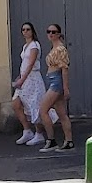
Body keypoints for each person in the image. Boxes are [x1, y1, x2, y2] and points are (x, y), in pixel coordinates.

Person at [38, 24, 73, 155]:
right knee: (61, 113)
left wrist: (65, 87)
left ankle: (51, 140)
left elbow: (64, 69)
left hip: (56, 82)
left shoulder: (60, 49)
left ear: (59, 34)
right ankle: (68, 141)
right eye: (49, 32)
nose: (51, 34)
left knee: (43, 110)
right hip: (53, 80)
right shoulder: (54, 48)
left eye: (54, 32)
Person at [12, 22, 46, 145]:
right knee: (16, 103)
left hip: (32, 79)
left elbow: (31, 64)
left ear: (32, 31)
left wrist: (23, 78)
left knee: (34, 104)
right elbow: (24, 64)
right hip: (24, 78)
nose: (25, 32)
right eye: (23, 30)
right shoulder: (25, 46)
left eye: (28, 29)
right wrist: (19, 77)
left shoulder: (34, 46)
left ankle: (39, 133)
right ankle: (27, 130)